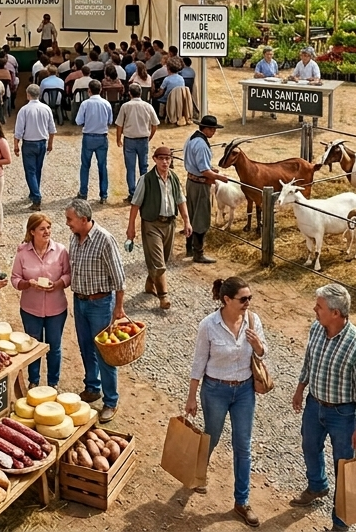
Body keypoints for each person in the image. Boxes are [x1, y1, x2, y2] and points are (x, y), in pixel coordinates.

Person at [289, 284, 356, 532]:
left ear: (336, 313)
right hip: (314, 404)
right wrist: (300, 389)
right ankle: (317, 486)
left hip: (343, 415)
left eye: (319, 307)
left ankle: (340, 523)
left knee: (344, 468)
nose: (314, 309)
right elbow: (309, 362)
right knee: (309, 446)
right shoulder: (316, 329)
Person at [185, 277, 266, 523]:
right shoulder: (208, 325)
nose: (248, 302)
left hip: (244, 392)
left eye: (250, 298)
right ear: (227, 300)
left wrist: (258, 345)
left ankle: (242, 502)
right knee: (212, 436)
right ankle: (198, 473)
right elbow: (199, 362)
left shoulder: (253, 320)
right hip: (215, 390)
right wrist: (191, 397)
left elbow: (263, 352)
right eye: (243, 299)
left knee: (243, 445)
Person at [65, 198, 126, 422]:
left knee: (104, 353)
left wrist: (118, 307)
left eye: (70, 219)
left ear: (83, 219)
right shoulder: (74, 238)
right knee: (85, 347)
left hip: (100, 303)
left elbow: (119, 278)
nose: (67, 223)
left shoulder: (105, 239)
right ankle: (92, 388)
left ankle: (110, 401)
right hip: (79, 300)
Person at [127, 145, 191, 310]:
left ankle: (150, 283)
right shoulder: (146, 180)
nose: (164, 162)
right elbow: (135, 204)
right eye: (161, 158)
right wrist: (131, 228)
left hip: (170, 224)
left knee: (163, 259)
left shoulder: (174, 178)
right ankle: (164, 297)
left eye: (167, 158)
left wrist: (187, 221)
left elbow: (180, 200)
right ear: (154, 160)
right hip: (151, 224)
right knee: (159, 262)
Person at [11, 213, 70, 387]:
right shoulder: (22, 253)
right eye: (42, 229)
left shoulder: (60, 250)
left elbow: (68, 274)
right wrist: (28, 284)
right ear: (32, 231)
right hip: (30, 310)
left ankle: (53, 383)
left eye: (48, 228)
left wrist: (58, 284)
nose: (47, 232)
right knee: (32, 346)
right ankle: (34, 382)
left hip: (56, 309)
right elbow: (15, 279)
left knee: (54, 347)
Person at [184, 115, 229, 264]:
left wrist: (210, 169)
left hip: (191, 181)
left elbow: (199, 165)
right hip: (200, 184)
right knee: (201, 217)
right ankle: (198, 253)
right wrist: (219, 177)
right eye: (213, 129)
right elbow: (204, 170)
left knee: (191, 214)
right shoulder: (202, 145)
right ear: (207, 129)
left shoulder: (191, 139)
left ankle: (189, 248)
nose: (214, 132)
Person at [14, 84, 56, 211]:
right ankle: (34, 192)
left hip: (29, 144)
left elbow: (19, 130)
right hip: (42, 142)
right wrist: (50, 143)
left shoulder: (24, 110)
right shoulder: (46, 108)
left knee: (30, 171)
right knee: (37, 170)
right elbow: (52, 129)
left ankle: (36, 197)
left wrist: (16, 144)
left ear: (28, 95)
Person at [115, 83, 158, 199]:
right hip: (143, 139)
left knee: (130, 168)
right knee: (143, 167)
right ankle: (144, 192)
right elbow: (155, 125)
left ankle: (133, 193)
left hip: (129, 140)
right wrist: (149, 137)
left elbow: (119, 125)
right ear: (141, 93)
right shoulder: (148, 106)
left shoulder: (125, 106)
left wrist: (118, 139)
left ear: (130, 93)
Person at [73, 79, 113, 203]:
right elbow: (110, 121)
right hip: (102, 137)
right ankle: (103, 195)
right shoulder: (106, 104)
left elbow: (78, 121)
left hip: (88, 137)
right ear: (100, 90)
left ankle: (83, 193)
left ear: (89, 90)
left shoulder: (85, 104)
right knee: (102, 166)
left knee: (85, 165)